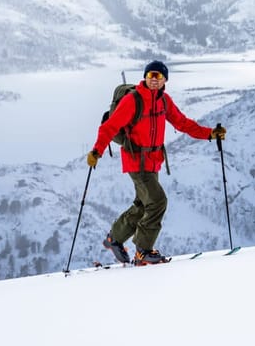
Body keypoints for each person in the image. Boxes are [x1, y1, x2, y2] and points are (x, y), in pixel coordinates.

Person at [86, 60, 227, 265]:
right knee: (158, 201)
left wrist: (210, 134)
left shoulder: (164, 102)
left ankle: (114, 238)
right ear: (145, 77)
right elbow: (109, 126)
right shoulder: (133, 101)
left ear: (165, 80)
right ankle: (143, 250)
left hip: (153, 161)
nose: (154, 80)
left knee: (143, 206)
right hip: (136, 160)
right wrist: (96, 151)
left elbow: (183, 123)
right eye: (151, 75)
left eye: (158, 77)